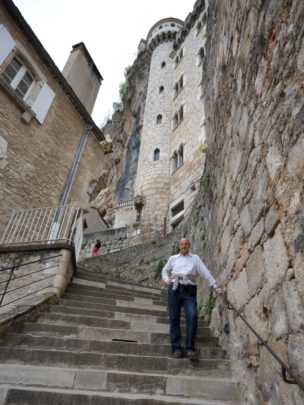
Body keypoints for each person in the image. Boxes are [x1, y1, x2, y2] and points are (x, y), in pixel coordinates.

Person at [162, 237, 223, 360]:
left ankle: (189, 348)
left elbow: (205, 272)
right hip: (174, 288)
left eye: (186, 244)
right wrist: (166, 279)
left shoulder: (195, 259)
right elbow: (165, 270)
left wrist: (215, 286)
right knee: (174, 318)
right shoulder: (172, 259)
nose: (184, 246)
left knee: (193, 315)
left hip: (189, 290)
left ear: (189, 246)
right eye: (182, 244)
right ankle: (176, 349)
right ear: (179, 246)